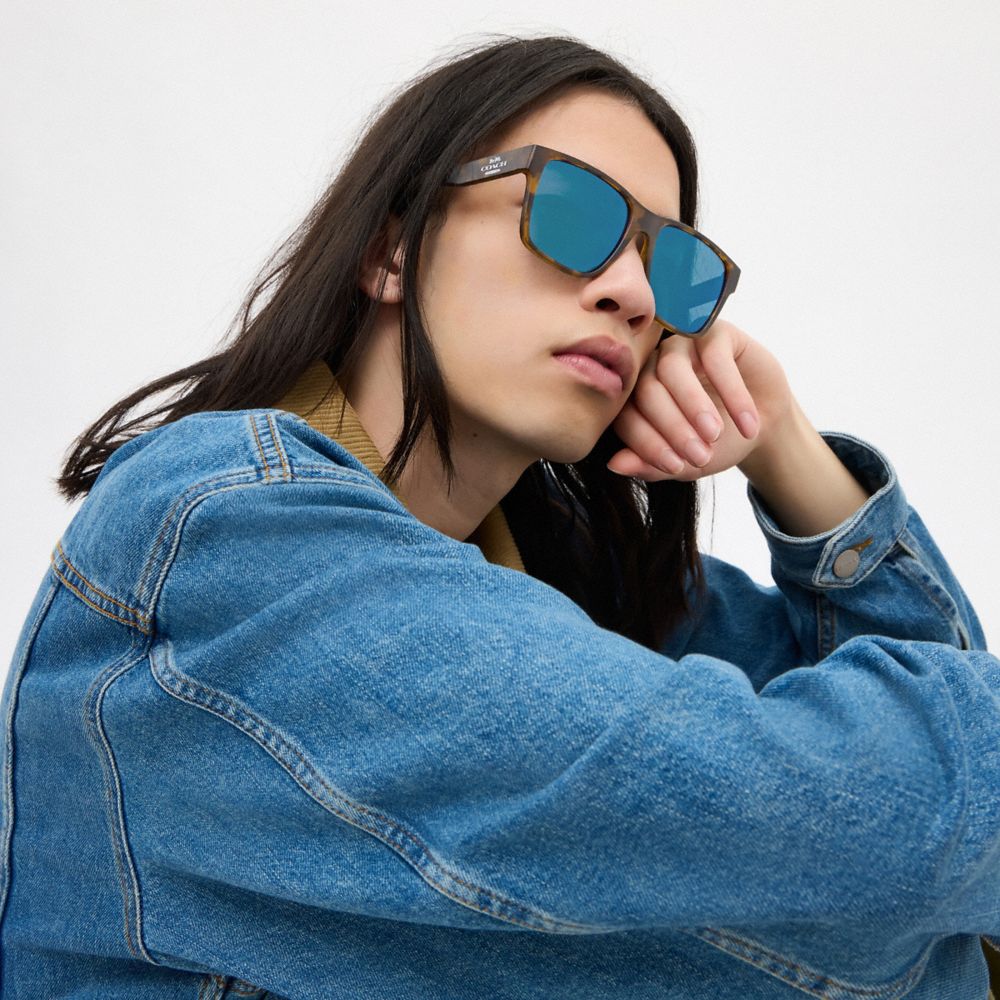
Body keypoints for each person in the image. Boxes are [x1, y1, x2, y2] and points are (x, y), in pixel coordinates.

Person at [1, 33, 997, 1000]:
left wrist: (785, 450)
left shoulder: (560, 571)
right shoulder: (231, 533)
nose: (633, 293)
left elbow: (922, 782)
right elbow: (872, 829)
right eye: (572, 211)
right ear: (391, 250)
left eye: (674, 269)